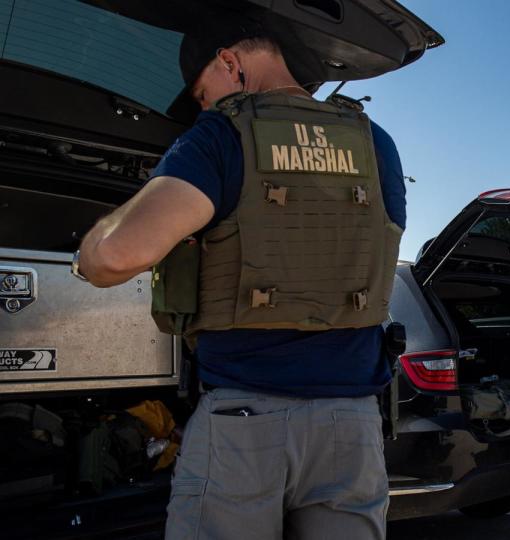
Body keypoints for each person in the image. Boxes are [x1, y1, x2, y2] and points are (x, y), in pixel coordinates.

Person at [73, 20, 406, 540]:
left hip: (245, 422)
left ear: (231, 63)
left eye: (204, 94)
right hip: (352, 425)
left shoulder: (221, 134)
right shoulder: (375, 143)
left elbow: (116, 257)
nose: (205, 109)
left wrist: (89, 246)